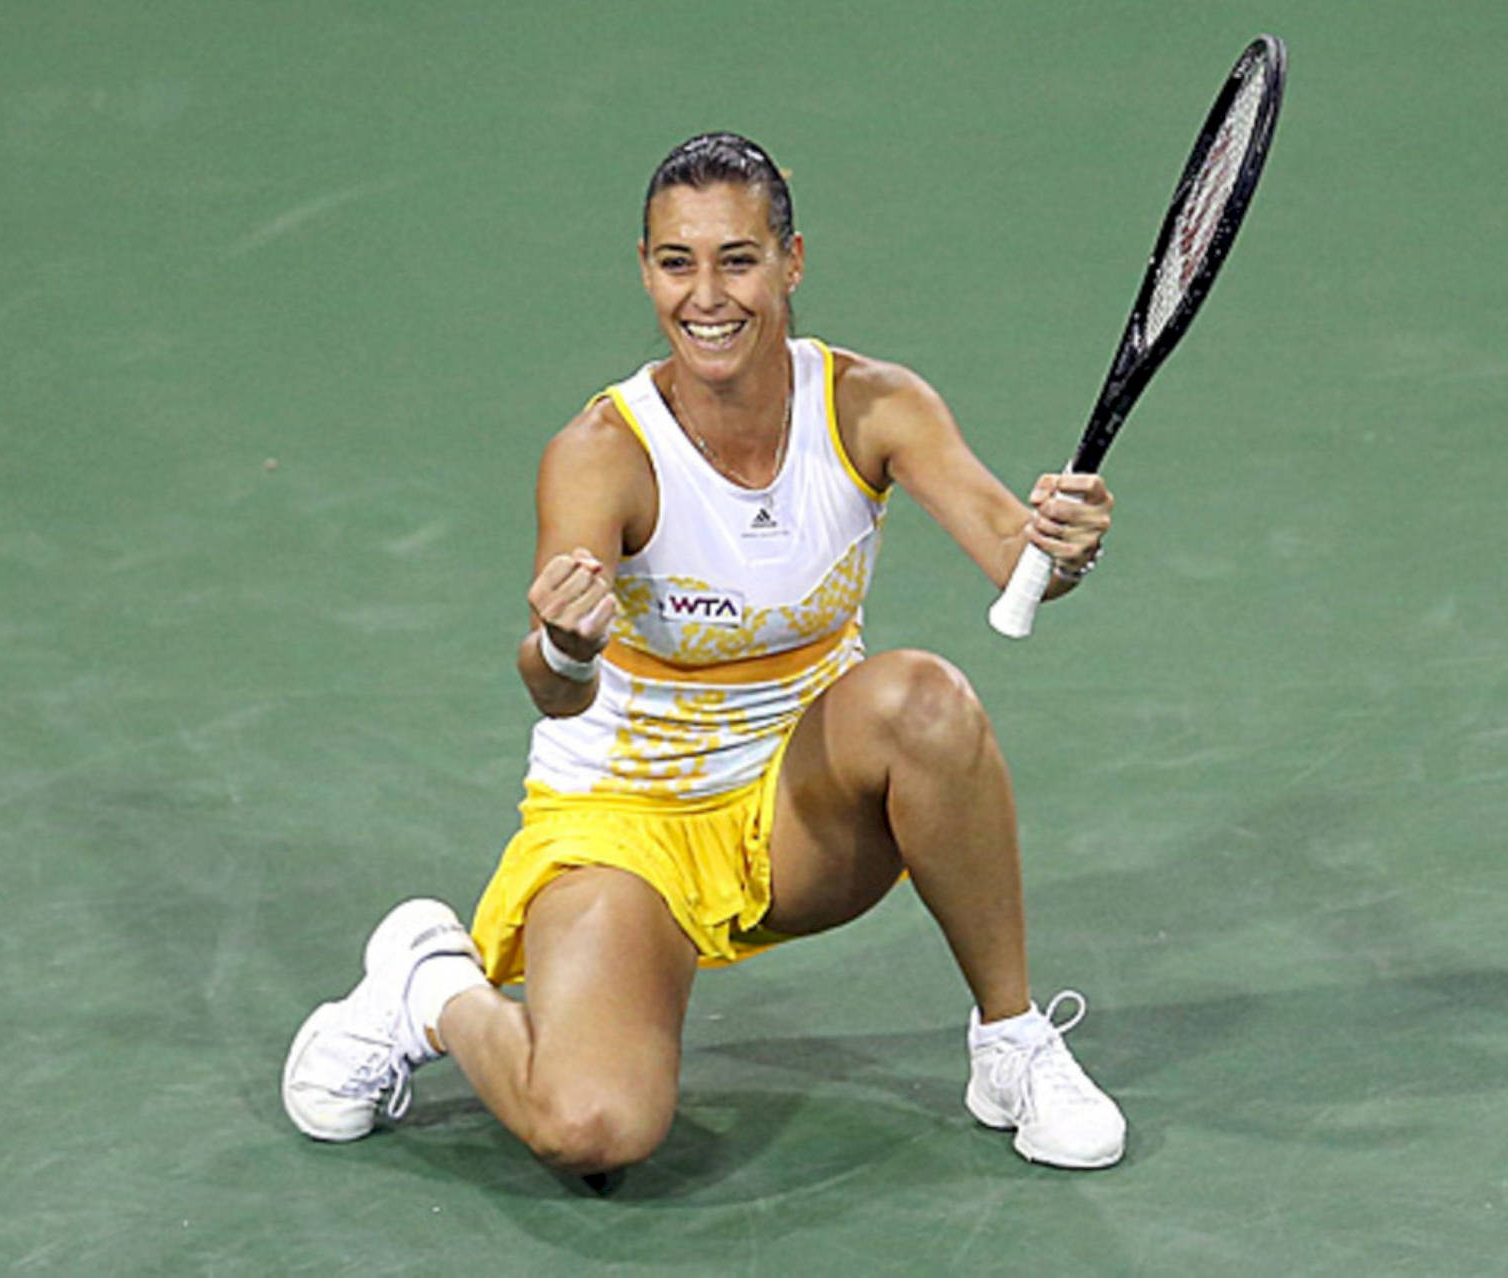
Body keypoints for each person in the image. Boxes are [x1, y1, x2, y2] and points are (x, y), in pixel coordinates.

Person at [282, 132, 1126, 1176]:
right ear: (646, 270)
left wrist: (1063, 544)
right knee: (592, 1133)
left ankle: (1010, 1043)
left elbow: (1019, 556)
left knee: (925, 701)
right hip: (624, 825)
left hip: (796, 815)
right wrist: (567, 645)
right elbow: (551, 689)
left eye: (738, 258)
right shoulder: (603, 455)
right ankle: (431, 989)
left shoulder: (872, 406)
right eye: (676, 263)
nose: (707, 295)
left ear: (792, 260)